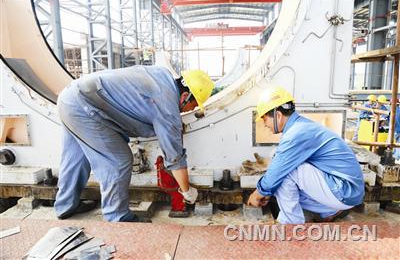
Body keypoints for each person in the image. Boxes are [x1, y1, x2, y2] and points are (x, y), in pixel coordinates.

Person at [54, 66, 214, 222]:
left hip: (70, 98)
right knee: (118, 161)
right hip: (85, 107)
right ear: (185, 96)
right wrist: (186, 191)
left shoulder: (161, 74)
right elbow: (175, 159)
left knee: (76, 158)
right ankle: (117, 216)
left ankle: (65, 206)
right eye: (191, 106)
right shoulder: (167, 107)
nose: (186, 111)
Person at [247, 86, 365, 224]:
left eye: (264, 118)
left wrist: (258, 193)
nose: (264, 124)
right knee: (278, 163)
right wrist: (270, 191)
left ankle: (290, 223)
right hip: (346, 190)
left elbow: (276, 173)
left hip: (345, 190)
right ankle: (329, 210)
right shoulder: (301, 126)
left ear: (278, 116)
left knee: (283, 172)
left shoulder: (296, 133)